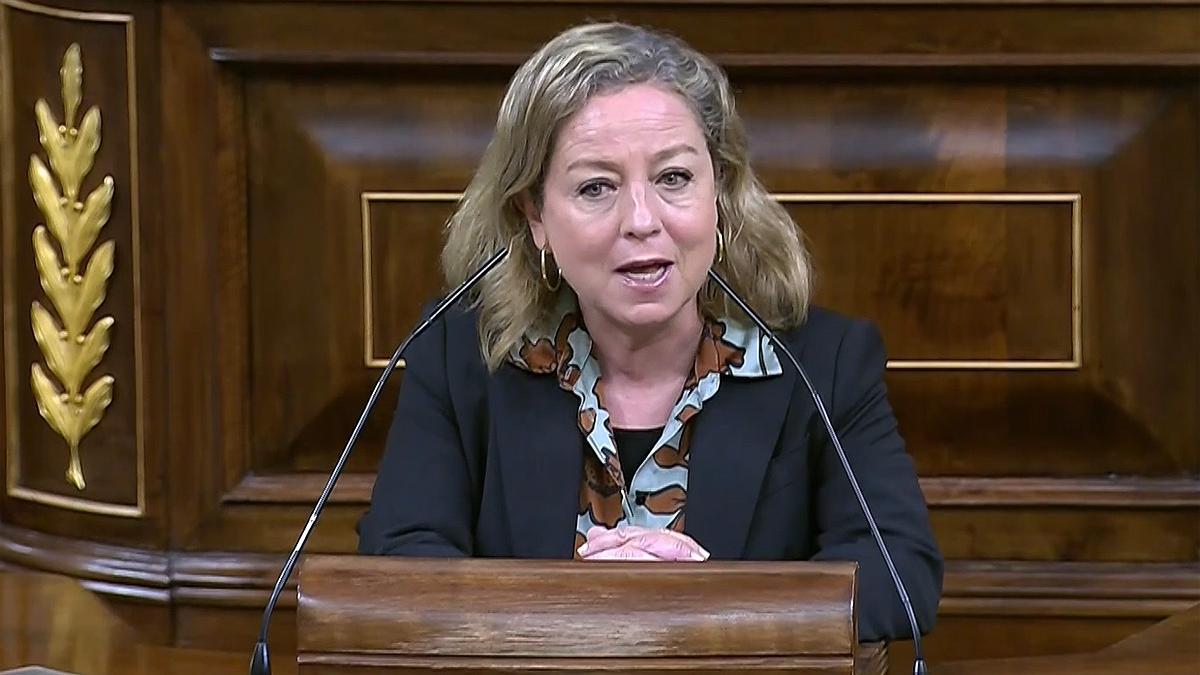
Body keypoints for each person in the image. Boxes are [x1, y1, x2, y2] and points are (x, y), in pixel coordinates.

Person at [357, 21, 942, 642]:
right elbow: (400, 565)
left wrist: (699, 609)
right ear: (535, 215)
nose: (641, 220)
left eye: (673, 178)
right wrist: (570, 607)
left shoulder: (822, 363)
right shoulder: (460, 356)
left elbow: (898, 573)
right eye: (596, 187)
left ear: (719, 191)